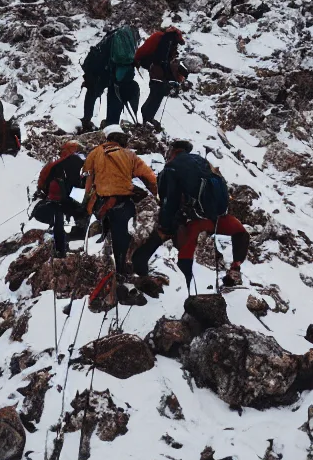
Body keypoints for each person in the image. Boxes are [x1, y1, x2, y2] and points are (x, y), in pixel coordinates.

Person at [131, 140, 249, 290]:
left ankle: (184, 286)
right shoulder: (203, 162)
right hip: (217, 217)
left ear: (172, 151)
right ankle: (235, 268)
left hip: (195, 220)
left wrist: (165, 227)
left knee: (184, 245)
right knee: (240, 231)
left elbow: (169, 201)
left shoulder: (171, 168)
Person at [82, 124, 157, 275]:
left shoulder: (95, 153)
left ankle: (102, 271)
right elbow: (150, 178)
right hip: (123, 202)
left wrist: (86, 202)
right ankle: (122, 269)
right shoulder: (129, 155)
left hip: (101, 203)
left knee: (99, 238)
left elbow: (87, 178)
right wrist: (155, 194)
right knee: (122, 237)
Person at [33, 141, 88, 257]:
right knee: (80, 215)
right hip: (78, 197)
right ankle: (82, 237)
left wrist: (43, 193)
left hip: (58, 199)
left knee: (59, 223)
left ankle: (60, 250)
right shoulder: (84, 163)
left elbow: (43, 181)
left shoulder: (54, 165)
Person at [81, 26, 141, 131]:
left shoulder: (111, 39)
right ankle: (112, 124)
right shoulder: (122, 41)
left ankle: (87, 121)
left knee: (92, 94)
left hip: (103, 71)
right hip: (115, 72)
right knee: (115, 94)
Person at [136, 26, 188, 129]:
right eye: (177, 42)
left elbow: (164, 60)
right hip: (157, 69)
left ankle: (147, 117)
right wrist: (170, 78)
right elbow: (162, 60)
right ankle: (147, 119)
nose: (177, 45)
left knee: (156, 92)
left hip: (154, 67)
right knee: (158, 91)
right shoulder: (167, 40)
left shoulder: (164, 39)